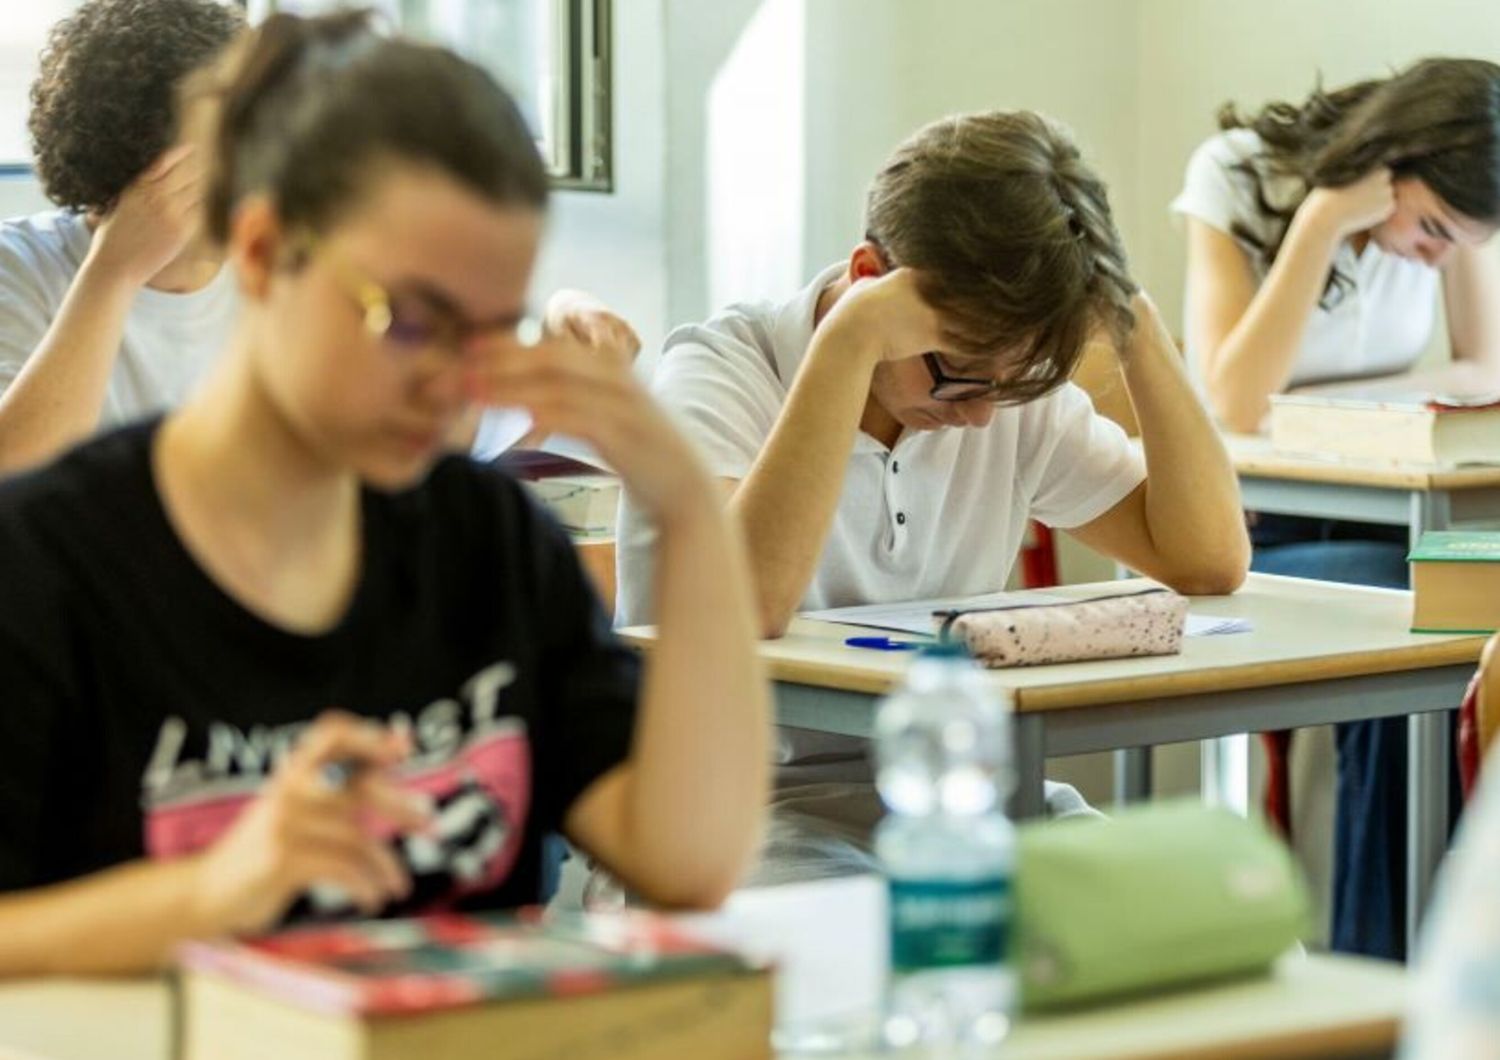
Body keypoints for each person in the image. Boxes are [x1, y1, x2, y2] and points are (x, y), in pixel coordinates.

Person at [0, 10, 767, 977]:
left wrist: (689, 510)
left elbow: (687, 863)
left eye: (489, 332)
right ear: (267, 249)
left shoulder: (487, 545)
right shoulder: (49, 563)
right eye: (410, 319)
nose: (452, 383)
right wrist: (216, 892)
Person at [617, 110, 1249, 881]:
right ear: (867, 281)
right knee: (881, 947)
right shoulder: (718, 374)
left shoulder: (1003, 390)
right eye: (956, 371)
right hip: (740, 816)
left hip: (963, 805)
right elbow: (743, 608)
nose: (981, 412)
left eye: (1009, 383)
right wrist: (849, 343)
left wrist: (1134, 322)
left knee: (1209, 915)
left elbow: (1207, 559)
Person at [0, 0, 633, 475]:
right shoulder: (21, 267)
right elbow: (16, 484)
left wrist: (552, 326)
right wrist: (112, 275)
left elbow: (449, 452)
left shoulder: (298, 265)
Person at [1173, 58, 1500, 959]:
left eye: (1457, 245)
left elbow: (1485, 370)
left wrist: (1340, 405)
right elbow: (1232, 399)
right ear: (1387, 163)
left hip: (1392, 519)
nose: (1434, 256)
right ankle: (1385, 975)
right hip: (1257, 536)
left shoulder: (1451, 223)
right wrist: (1320, 223)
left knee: (1460, 618)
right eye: (1430, 228)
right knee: (1418, 636)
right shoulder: (1237, 175)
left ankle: (1451, 968)